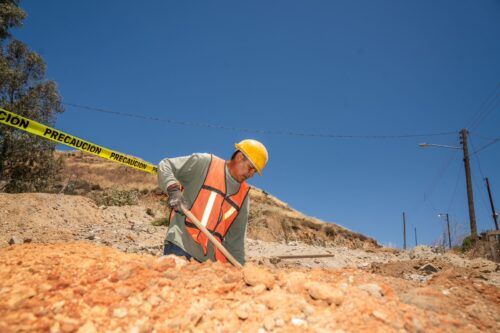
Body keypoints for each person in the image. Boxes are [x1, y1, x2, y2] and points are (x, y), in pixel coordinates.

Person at [157, 139, 268, 266]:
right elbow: (166, 165)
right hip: (180, 245)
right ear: (239, 157)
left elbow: (236, 241)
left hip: (210, 262)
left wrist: (240, 271)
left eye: (254, 172)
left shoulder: (243, 196)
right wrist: (173, 190)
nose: (251, 174)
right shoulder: (206, 163)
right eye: (250, 168)